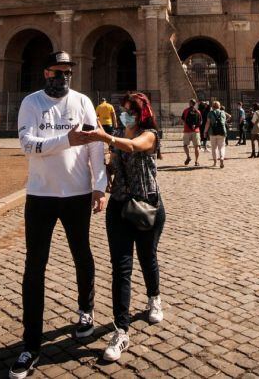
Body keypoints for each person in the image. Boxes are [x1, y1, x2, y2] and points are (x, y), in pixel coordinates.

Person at [10, 51, 107, 379]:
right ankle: (30, 344)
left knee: (83, 255)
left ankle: (86, 310)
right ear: (46, 72)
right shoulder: (31, 103)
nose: (63, 77)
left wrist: (100, 186)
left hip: (78, 193)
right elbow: (27, 144)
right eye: (57, 72)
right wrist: (66, 139)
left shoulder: (83, 102)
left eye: (68, 72)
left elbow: (95, 145)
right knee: (34, 267)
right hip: (40, 194)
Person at [73, 92, 165, 363]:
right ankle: (121, 330)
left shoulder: (149, 135)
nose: (125, 115)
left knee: (148, 259)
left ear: (142, 114)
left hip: (147, 206)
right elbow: (112, 164)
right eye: (123, 110)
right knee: (120, 268)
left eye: (130, 112)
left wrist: (108, 138)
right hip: (120, 208)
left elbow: (135, 146)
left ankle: (154, 298)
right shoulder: (119, 137)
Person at [205, 100, 229, 168]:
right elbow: (224, 121)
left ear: (212, 106)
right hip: (222, 132)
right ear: (219, 106)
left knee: (214, 148)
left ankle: (215, 162)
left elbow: (208, 123)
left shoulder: (210, 113)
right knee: (221, 147)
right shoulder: (223, 113)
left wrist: (205, 131)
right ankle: (221, 158)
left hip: (212, 132)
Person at [180, 99, 202, 166]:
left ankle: (188, 156)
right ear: (195, 104)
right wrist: (195, 126)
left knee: (185, 145)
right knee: (196, 146)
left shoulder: (186, 111)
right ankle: (196, 161)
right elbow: (200, 122)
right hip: (196, 131)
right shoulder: (198, 112)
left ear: (190, 103)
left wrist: (188, 125)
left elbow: (182, 120)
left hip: (187, 130)